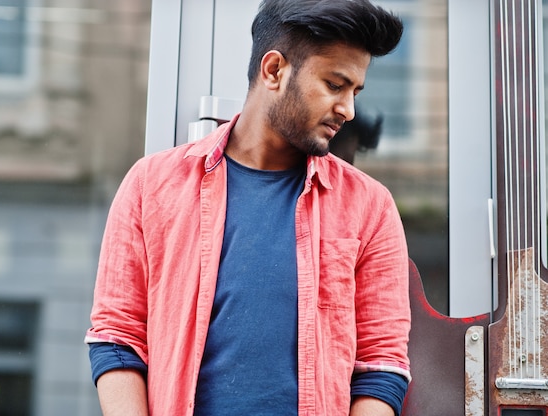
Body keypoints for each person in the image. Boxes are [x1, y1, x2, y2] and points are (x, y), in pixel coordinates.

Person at [85, 0, 410, 415]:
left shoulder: (370, 207)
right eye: (335, 85)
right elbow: (117, 336)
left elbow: (381, 364)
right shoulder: (153, 185)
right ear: (273, 70)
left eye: (355, 92)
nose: (348, 110)